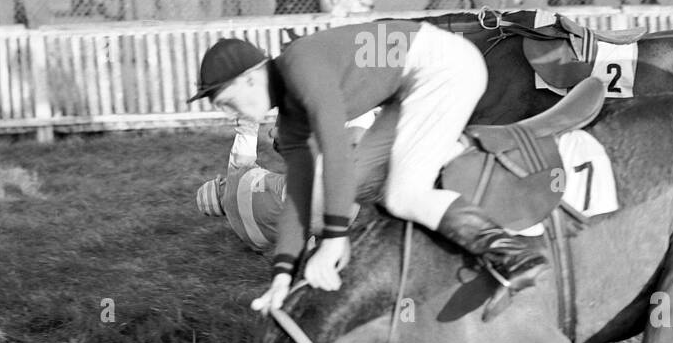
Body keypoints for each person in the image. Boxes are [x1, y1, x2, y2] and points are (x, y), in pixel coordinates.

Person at [190, 23, 551, 314]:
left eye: (225, 101)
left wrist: (333, 242)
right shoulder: (289, 108)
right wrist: (282, 273)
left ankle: (514, 256)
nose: (227, 113)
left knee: (403, 194)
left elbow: (336, 153)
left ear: (251, 78)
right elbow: (301, 194)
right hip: (412, 84)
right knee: (336, 195)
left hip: (443, 71)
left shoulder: (299, 68)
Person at [195, 113, 379, 252]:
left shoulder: (248, 238)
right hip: (328, 194)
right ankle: (368, 112)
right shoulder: (235, 173)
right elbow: (247, 128)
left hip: (335, 222)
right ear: (219, 184)